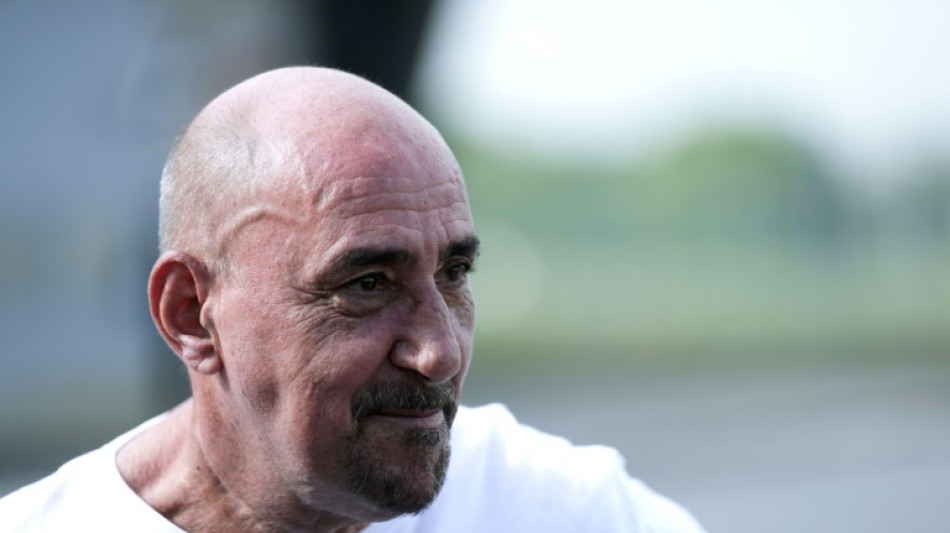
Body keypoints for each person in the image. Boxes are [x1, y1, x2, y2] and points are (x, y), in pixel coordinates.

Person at [0, 67, 705, 532]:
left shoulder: (559, 508)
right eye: (366, 285)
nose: (440, 352)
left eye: (455, 273)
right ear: (191, 313)